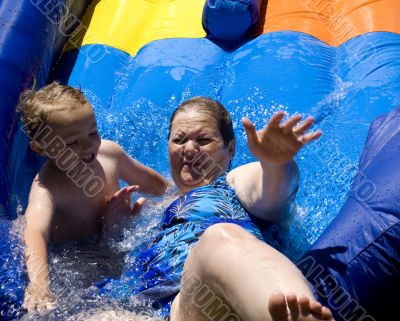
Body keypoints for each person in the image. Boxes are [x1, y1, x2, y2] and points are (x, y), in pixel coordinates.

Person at [95, 97, 333, 321]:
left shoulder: (232, 183)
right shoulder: (150, 209)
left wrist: (276, 163)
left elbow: (274, 193)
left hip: (206, 303)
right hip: (142, 311)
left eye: (203, 140)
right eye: (178, 140)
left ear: (230, 150)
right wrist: (113, 230)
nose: (189, 149)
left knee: (220, 238)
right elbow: (120, 270)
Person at [17, 82, 168, 314]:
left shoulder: (110, 154)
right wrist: (38, 283)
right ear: (40, 148)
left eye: (93, 132)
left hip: (122, 240)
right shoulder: (47, 189)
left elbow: (157, 186)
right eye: (72, 143)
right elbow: (34, 232)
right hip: (82, 258)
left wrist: (180, 197)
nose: (88, 146)